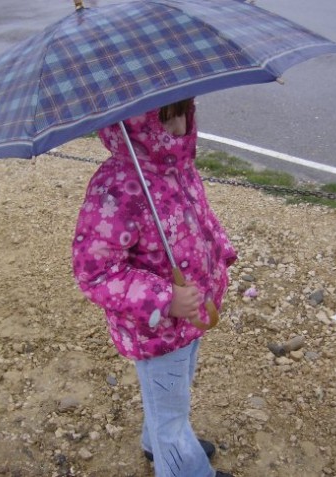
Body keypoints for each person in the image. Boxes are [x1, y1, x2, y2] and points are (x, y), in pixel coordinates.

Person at [72, 97, 237, 477]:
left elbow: (199, 219)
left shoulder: (178, 165)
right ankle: (182, 464)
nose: (179, 127)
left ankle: (154, 442)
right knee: (171, 417)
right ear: (134, 123)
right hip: (156, 327)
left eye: (183, 111)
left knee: (173, 395)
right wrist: (164, 299)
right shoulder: (117, 187)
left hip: (190, 311)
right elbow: (94, 272)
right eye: (165, 118)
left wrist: (219, 252)